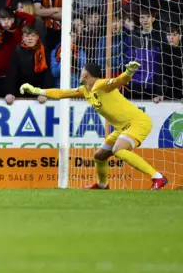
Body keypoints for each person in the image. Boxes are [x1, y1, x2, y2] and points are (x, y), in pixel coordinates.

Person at [21, 62, 168, 190]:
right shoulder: (85, 91)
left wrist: (128, 72)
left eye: (81, 71)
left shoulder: (101, 85)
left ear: (85, 74)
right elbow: (61, 93)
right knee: (99, 156)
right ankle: (102, 185)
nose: (80, 74)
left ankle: (157, 177)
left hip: (137, 123)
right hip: (122, 127)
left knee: (118, 150)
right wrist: (37, 90)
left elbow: (119, 81)